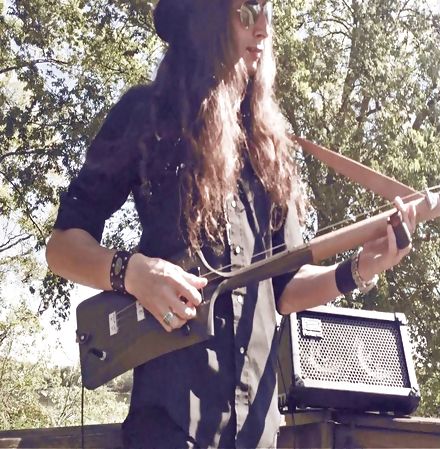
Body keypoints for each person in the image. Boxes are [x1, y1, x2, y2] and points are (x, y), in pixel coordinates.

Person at [45, 0, 417, 447]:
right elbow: (62, 248)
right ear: (205, 18)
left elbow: (284, 291)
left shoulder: (270, 144)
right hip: (169, 427)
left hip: (258, 431)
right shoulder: (145, 114)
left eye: (267, 13)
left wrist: (360, 268)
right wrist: (132, 273)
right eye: (246, 12)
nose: (262, 29)